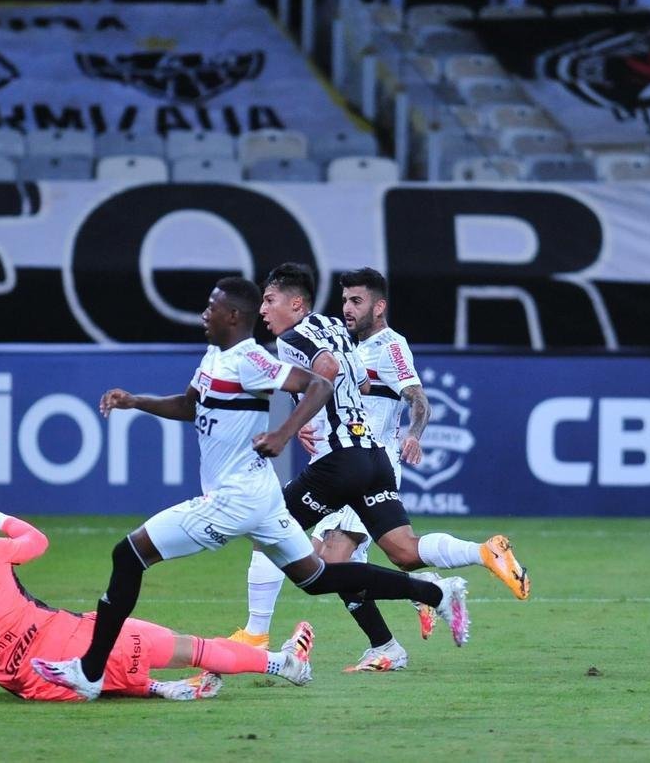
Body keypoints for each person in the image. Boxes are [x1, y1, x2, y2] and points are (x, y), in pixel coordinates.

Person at [31, 277, 471, 700]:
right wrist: (135, 402)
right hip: (261, 499)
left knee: (127, 555)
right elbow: (188, 405)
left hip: (233, 500)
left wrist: (283, 433)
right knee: (316, 577)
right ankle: (433, 592)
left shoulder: (250, 360)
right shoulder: (212, 357)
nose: (205, 313)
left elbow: (319, 382)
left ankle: (90, 671)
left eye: (212, 307)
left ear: (233, 316)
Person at [227, 263, 529, 672]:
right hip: (370, 458)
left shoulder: (309, 336)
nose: (263, 309)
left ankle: (256, 633)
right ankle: (430, 600)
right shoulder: (338, 331)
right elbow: (355, 382)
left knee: (274, 533)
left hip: (342, 462)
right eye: (346, 299)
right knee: (398, 553)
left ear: (295, 303)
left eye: (269, 300)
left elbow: (335, 374)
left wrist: (291, 426)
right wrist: (313, 418)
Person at [0, 494, 316, 701]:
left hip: (40, 684)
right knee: (195, 648)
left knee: (107, 672)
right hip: (80, 646)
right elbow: (35, 540)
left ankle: (156, 689)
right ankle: (284, 664)